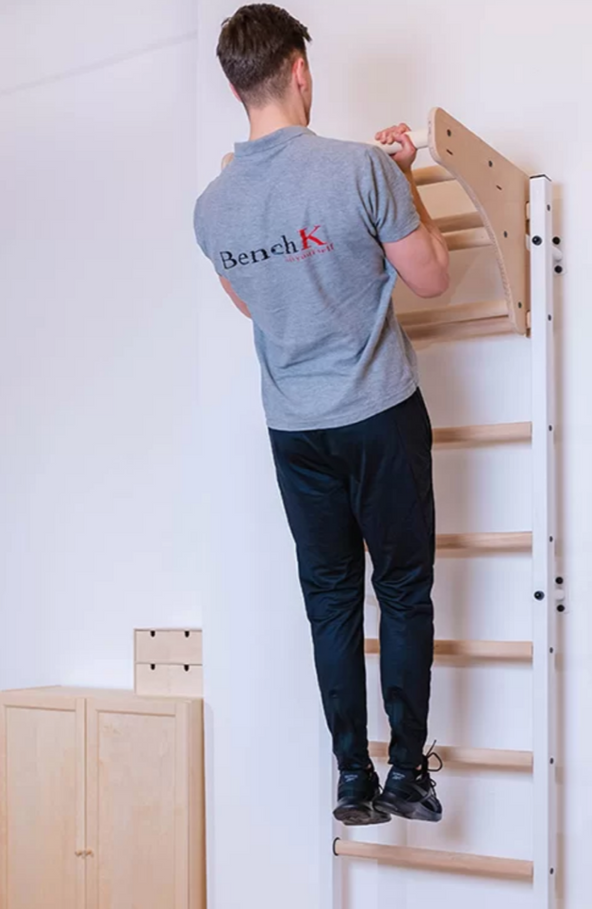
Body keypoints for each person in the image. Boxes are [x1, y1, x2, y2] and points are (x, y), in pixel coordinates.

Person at [193, 5, 450, 826]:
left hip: (294, 430)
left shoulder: (213, 208)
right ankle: (405, 771)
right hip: (377, 412)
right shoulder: (359, 170)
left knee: (331, 602)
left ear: (237, 87)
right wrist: (402, 175)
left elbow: (251, 304)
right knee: (403, 588)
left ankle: (352, 779)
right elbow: (433, 278)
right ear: (299, 71)